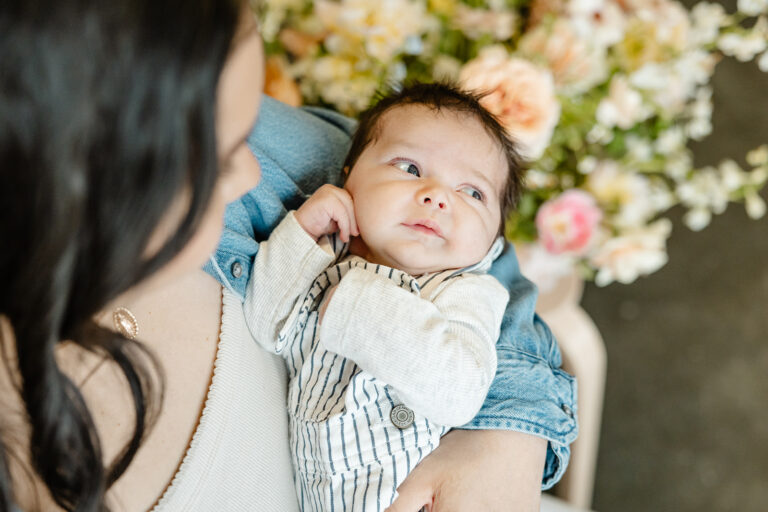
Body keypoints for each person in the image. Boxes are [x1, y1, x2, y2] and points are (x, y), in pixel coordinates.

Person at [0, 1, 576, 511]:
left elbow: (490, 270)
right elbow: (277, 316)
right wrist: (305, 248)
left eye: (249, 121)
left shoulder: (412, 253)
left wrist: (505, 438)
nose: (252, 169)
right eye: (219, 152)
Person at [244, 82, 522, 510]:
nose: (438, 197)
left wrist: (359, 307)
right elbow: (266, 325)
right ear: (349, 174)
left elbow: (459, 391)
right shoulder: (321, 255)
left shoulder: (465, 292)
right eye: (410, 168)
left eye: (473, 193)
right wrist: (299, 232)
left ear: (492, 240)